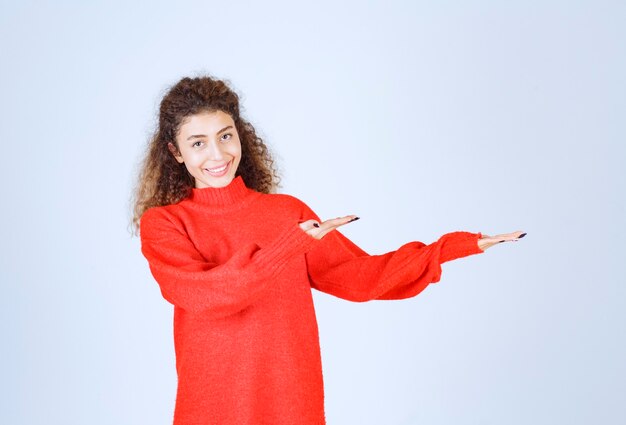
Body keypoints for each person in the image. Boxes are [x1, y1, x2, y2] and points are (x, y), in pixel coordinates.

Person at [132, 75, 525, 424]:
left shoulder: (287, 213)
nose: (217, 155)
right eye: (198, 143)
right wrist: (289, 246)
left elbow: (360, 276)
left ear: (241, 136)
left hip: (290, 401)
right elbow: (207, 294)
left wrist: (451, 248)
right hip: (212, 406)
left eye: (225, 135)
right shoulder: (165, 224)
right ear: (176, 152)